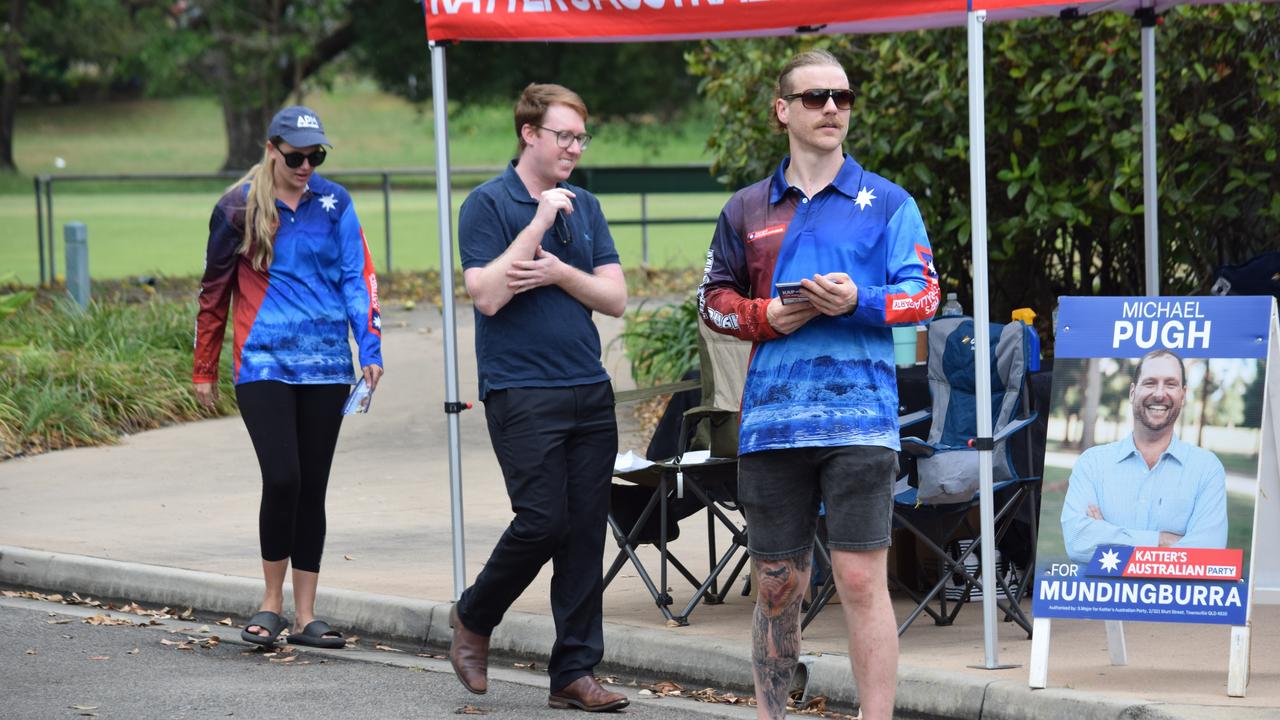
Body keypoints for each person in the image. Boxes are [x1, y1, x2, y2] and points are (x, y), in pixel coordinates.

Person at [698, 50, 939, 720]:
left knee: (862, 580)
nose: (833, 108)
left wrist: (857, 300)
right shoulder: (746, 208)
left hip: (862, 421)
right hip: (772, 423)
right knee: (777, 586)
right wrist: (763, 316)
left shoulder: (889, 202)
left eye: (843, 97)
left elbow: (925, 299)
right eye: (815, 98)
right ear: (782, 110)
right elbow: (711, 300)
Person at [449, 83, 628, 713]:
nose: (574, 148)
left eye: (581, 138)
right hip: (521, 392)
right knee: (542, 521)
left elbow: (614, 298)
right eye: (564, 136)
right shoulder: (487, 205)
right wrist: (541, 221)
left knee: (583, 533)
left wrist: (557, 272)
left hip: (587, 389)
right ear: (530, 134)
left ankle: (574, 673)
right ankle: (473, 616)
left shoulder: (590, 204)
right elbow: (490, 294)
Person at [193, 105, 383, 650]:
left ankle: (305, 617)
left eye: (315, 156)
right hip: (263, 363)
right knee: (283, 478)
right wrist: (204, 367)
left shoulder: (335, 202)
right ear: (272, 148)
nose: (306, 166)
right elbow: (214, 293)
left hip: (326, 366)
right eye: (296, 156)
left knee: (313, 486)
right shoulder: (236, 207)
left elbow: (357, 276)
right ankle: (269, 605)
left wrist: (369, 347)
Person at [1061, 349, 1227, 563]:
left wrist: (1107, 535)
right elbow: (1078, 542)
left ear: (1183, 395)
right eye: (1150, 383)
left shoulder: (1207, 468)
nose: (1159, 394)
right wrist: (1165, 540)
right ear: (1132, 392)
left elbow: (1208, 555)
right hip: (1101, 595)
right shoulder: (1092, 463)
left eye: (1170, 384)